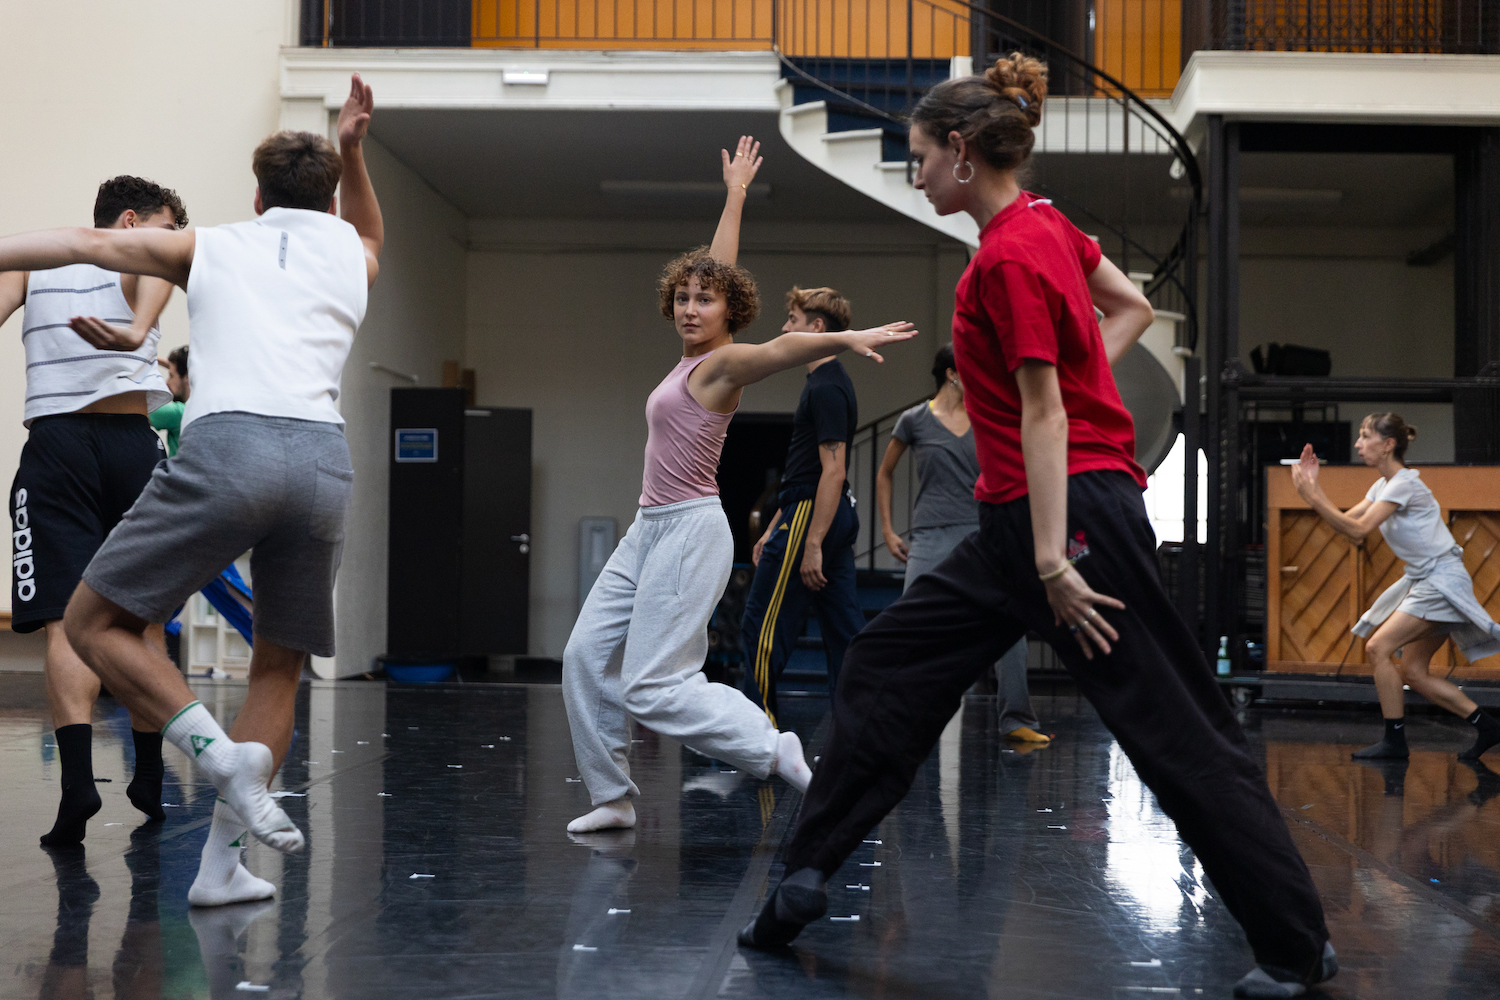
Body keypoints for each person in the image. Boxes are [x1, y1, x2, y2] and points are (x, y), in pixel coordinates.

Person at [739, 54, 1337, 1000]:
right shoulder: (1048, 224)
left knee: (1173, 726)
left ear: (963, 153)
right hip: (1018, 521)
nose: (917, 172)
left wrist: (1056, 558)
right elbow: (1132, 308)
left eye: (921, 156)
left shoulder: (1010, 256)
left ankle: (1297, 945)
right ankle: (802, 878)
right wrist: (1075, 405)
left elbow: (1047, 412)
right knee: (890, 662)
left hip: (1064, 516)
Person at [0, 73, 384, 907]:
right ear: (332, 197)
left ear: (256, 191)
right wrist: (354, 148)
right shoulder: (357, 255)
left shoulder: (207, 244)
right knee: (279, 666)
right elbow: (367, 219)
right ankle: (221, 870)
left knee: (92, 620)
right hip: (323, 466)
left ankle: (213, 755)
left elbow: (82, 242)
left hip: (231, 450)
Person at [562, 136, 918, 834]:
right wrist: (735, 194)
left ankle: (769, 744)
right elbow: (717, 266)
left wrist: (840, 340)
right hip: (648, 527)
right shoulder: (686, 357)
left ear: (729, 314)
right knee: (582, 657)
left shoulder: (721, 367)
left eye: (705, 301)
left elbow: (781, 350)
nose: (692, 308)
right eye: (684, 299)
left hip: (691, 531)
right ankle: (612, 795)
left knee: (654, 686)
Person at [0, 175, 187, 845]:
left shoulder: (31, 259)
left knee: (63, 623)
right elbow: (155, 273)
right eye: (166, 229)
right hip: (131, 443)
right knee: (141, 617)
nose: (172, 243)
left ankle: (78, 785)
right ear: (133, 219)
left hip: (56, 447)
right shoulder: (149, 258)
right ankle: (147, 776)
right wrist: (139, 326)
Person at [1290, 415, 1500, 762]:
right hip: (1427, 579)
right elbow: (1347, 525)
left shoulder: (1404, 484)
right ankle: (1489, 727)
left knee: (1378, 647)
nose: (1358, 444)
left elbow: (1358, 530)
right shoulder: (1381, 487)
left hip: (1440, 580)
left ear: (1388, 444)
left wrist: (1313, 495)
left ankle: (1395, 742)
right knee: (1414, 672)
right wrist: (1314, 491)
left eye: (1365, 436)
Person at [877, 342, 1047, 743]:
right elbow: (884, 473)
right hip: (931, 535)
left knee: (1011, 624)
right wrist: (887, 529)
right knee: (914, 626)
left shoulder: (987, 416)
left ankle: (1017, 719)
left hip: (984, 531)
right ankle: (910, 713)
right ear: (953, 374)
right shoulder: (914, 421)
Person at [740, 286, 868, 725]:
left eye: (791, 320)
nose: (784, 329)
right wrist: (777, 521)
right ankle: (860, 732)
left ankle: (755, 733)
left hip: (815, 517)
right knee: (845, 630)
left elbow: (833, 471)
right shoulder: (823, 383)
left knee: (761, 627)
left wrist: (810, 540)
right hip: (811, 513)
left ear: (816, 328)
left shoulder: (828, 387)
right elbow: (806, 472)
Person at [150, 345, 189, 456]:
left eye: (171, 375)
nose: (167, 382)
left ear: (187, 378)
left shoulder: (178, 413)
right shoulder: (201, 409)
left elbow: (135, 408)